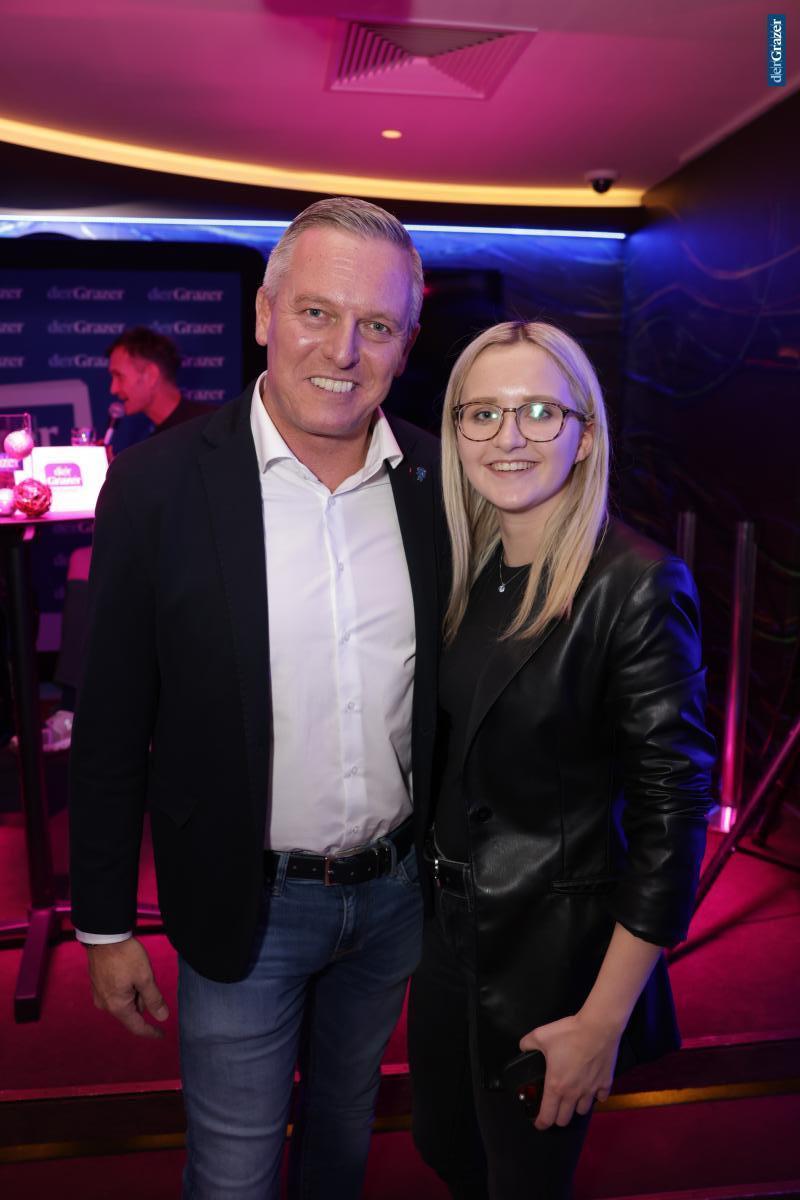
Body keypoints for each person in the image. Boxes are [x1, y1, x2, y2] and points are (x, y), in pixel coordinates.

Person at [69, 197, 444, 1199]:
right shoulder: (154, 487)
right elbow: (109, 724)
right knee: (234, 1174)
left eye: (376, 324)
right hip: (245, 901)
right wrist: (104, 924)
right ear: (265, 314)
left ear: (406, 343)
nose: (343, 350)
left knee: (341, 1143)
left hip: (394, 899)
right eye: (316, 312)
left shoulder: (438, 481)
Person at [408, 321, 715, 1199]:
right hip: (445, 934)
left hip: (552, 957)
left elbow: (672, 817)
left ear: (585, 435)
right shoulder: (463, 571)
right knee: (446, 1150)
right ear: (456, 431)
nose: (508, 436)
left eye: (541, 411)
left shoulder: (636, 582)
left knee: (521, 1181)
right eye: (483, 413)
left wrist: (601, 1021)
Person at [24, 328, 211, 754]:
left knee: (86, 562)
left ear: (149, 375)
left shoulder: (204, 423)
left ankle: (78, 709)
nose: (113, 389)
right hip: (165, 554)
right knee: (83, 560)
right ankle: (75, 707)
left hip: (198, 560)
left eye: (119, 376)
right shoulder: (152, 439)